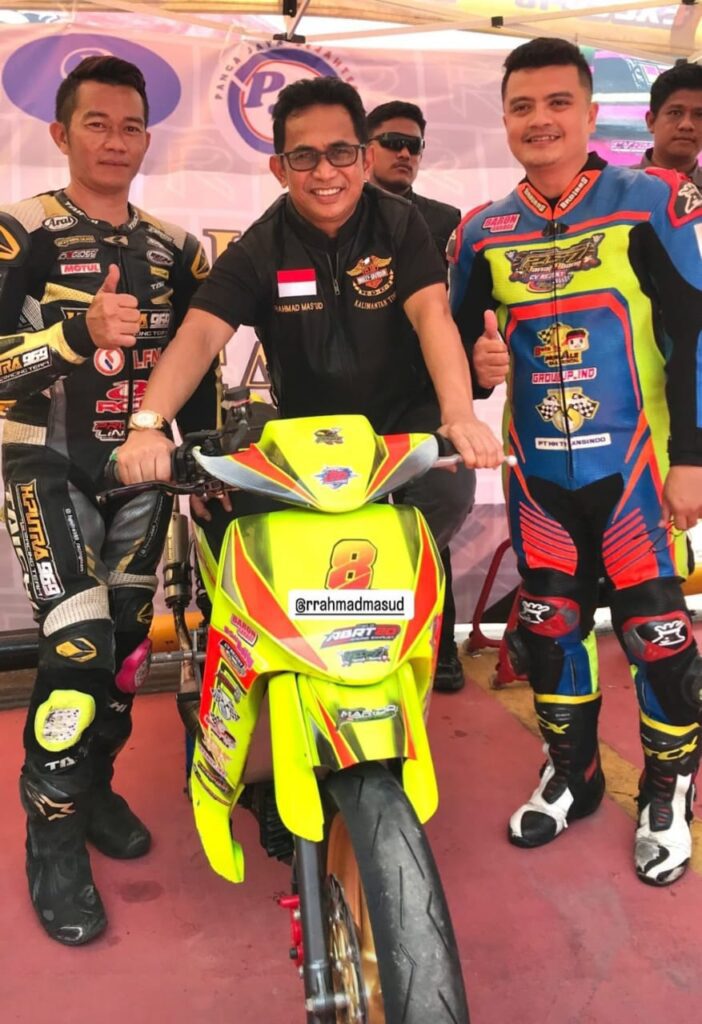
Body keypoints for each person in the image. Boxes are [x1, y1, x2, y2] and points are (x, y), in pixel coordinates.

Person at [115, 77, 504, 674]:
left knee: (447, 493)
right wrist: (147, 424)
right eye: (304, 156)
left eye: (340, 152)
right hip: (311, 441)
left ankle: (391, 640)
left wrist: (458, 416)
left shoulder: (401, 226)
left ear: (364, 159)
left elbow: (433, 317)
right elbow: (198, 336)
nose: (325, 171)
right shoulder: (260, 247)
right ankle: (265, 659)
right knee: (224, 516)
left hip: (405, 429)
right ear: (279, 168)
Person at [450, 37, 702, 886]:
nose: (541, 120)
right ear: (505, 120)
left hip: (639, 473)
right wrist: (477, 370)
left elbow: (698, 334)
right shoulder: (481, 231)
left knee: (656, 634)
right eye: (522, 106)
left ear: (592, 114)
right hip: (538, 480)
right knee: (551, 626)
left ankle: (668, 791)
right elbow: (457, 356)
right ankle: (574, 774)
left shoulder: (653, 199)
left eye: (558, 103)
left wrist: (694, 457)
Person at [0, 56, 217, 944]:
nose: (115, 141)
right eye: (97, 124)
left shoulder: (177, 247)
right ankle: (50, 836)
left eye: (130, 126)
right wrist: (71, 335)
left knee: (127, 651)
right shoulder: (19, 231)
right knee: (79, 640)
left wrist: (203, 464)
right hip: (43, 467)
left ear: (147, 138)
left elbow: (198, 368)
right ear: (61, 133)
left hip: (140, 474)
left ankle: (93, 789)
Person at [366, 100, 466, 692]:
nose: (404, 153)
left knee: (429, 525)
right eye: (392, 142)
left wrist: (477, 376)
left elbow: (460, 313)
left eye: (414, 145)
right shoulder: (336, 213)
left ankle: (440, 646)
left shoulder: (447, 221)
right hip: (349, 400)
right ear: (366, 148)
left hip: (423, 398)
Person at [638, 62, 702, 185]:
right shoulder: (615, 186)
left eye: (699, 115)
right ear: (651, 121)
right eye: (675, 113)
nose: (686, 125)